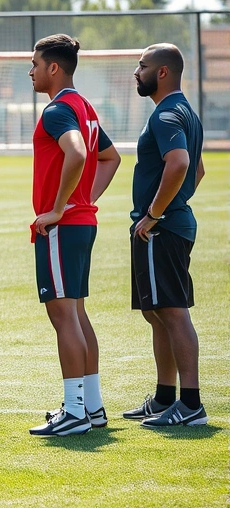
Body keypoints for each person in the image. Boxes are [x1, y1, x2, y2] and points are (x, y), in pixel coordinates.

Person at [26, 34, 121, 436]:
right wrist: (84, 198)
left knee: (63, 315)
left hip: (63, 227)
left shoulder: (58, 109)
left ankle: (76, 412)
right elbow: (110, 157)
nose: (30, 71)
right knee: (77, 314)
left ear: (53, 68)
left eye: (35, 63)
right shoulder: (85, 106)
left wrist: (61, 206)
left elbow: (79, 153)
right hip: (80, 224)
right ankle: (92, 407)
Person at [124, 43, 207, 427]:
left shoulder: (166, 114)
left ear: (162, 72)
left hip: (163, 229)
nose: (136, 73)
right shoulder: (186, 112)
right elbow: (199, 171)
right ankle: (164, 398)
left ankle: (190, 405)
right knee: (158, 313)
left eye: (142, 67)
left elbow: (182, 163)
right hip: (169, 225)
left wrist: (155, 214)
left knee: (172, 312)